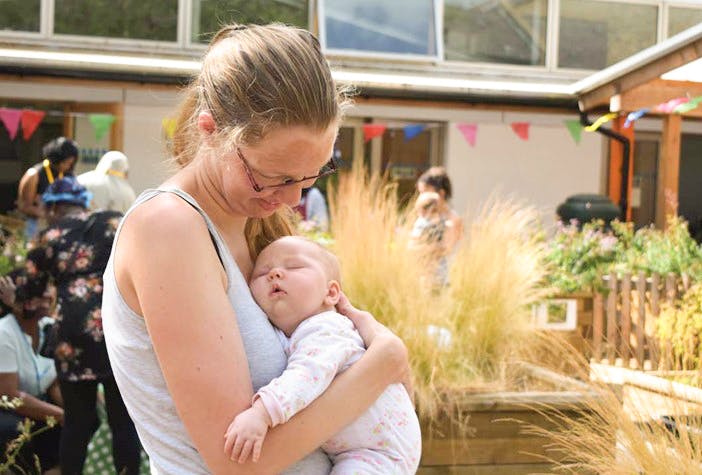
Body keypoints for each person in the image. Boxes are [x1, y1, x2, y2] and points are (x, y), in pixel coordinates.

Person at [101, 23, 410, 474]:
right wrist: (384, 363)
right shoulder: (169, 228)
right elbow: (238, 464)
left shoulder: (257, 229)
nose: (292, 200)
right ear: (210, 131)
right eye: (275, 178)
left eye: (312, 177)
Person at [224, 236, 421, 473]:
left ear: (331, 293)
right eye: (261, 273)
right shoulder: (291, 333)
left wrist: (262, 413)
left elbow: (306, 375)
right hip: (361, 450)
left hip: (380, 453)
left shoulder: (327, 328)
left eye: (294, 267)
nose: (274, 273)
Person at [26, 177, 140, 475]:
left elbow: (30, 290)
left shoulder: (48, 235)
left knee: (76, 424)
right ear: (84, 202)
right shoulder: (115, 222)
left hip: (72, 335)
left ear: (52, 208)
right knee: (123, 421)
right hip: (116, 330)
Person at [0, 269, 63, 473]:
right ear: (24, 302)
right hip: (9, 410)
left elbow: (52, 379)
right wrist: (62, 415)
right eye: (41, 292)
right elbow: (9, 396)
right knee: (14, 429)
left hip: (36, 403)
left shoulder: (46, 327)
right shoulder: (4, 334)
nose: (49, 295)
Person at [17, 137, 79, 238]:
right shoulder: (34, 175)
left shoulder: (68, 175)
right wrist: (47, 214)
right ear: (56, 158)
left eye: (70, 164)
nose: (68, 166)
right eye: (65, 162)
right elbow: (24, 206)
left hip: (59, 224)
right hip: (35, 224)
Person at [416, 167, 463, 285]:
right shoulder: (424, 218)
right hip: (422, 278)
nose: (421, 197)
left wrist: (420, 248)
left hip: (441, 281)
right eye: (419, 193)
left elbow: (445, 249)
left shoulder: (453, 220)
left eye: (424, 192)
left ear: (441, 194)